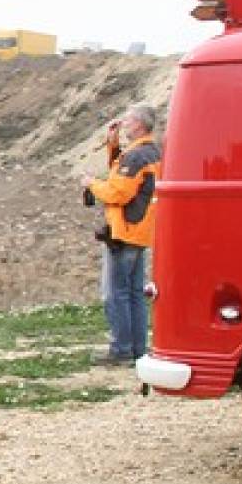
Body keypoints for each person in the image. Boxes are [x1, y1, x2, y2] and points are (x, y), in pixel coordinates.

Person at [84, 104, 161, 364]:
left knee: (115, 293)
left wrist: (92, 185)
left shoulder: (136, 157)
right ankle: (138, 348)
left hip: (125, 231)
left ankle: (121, 350)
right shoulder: (150, 152)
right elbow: (123, 172)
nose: (124, 124)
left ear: (139, 125)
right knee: (135, 292)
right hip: (141, 230)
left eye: (127, 121)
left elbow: (119, 192)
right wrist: (113, 142)